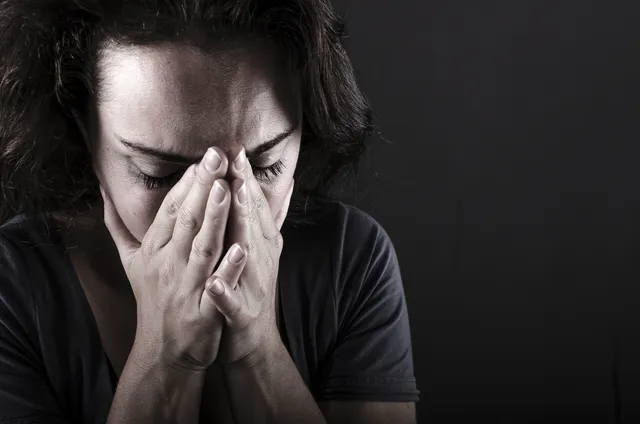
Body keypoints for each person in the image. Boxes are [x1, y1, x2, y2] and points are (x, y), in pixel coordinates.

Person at [0, 0, 419, 423]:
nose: (215, 211)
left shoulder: (351, 259)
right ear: (83, 130)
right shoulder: (13, 286)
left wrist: (257, 352)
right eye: (158, 174)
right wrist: (166, 357)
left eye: (264, 165)